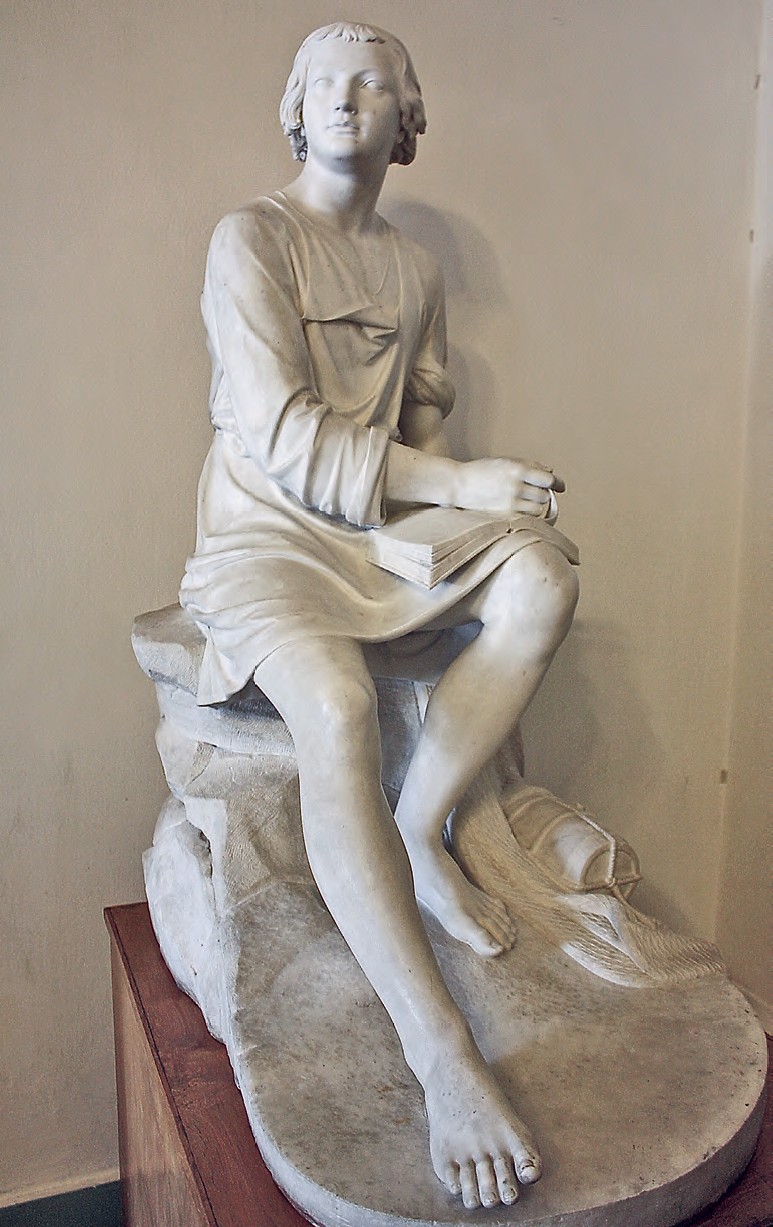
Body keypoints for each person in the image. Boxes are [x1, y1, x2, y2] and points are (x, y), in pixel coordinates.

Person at [180, 22, 579, 1211]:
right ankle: (439, 1051)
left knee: (541, 576)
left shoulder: (410, 269)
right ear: (294, 109)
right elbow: (279, 435)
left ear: (408, 118)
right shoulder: (250, 238)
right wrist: (460, 485)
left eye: (372, 84)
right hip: (263, 537)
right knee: (339, 704)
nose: (346, 100)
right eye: (324, 84)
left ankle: (416, 828)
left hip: (371, 532)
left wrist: (456, 520)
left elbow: (421, 425)